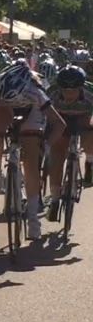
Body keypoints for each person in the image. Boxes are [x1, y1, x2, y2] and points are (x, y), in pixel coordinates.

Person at [0, 60, 65, 240]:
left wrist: (44, 145)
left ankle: (32, 219)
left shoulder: (36, 90)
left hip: (33, 110)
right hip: (4, 107)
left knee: (30, 161)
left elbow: (60, 124)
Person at [45, 65, 93, 222]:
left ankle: (90, 161)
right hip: (61, 120)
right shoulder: (51, 93)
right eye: (65, 90)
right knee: (57, 155)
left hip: (84, 117)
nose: (69, 94)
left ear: (81, 87)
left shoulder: (90, 92)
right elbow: (40, 114)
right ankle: (54, 199)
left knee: (89, 132)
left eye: (73, 90)